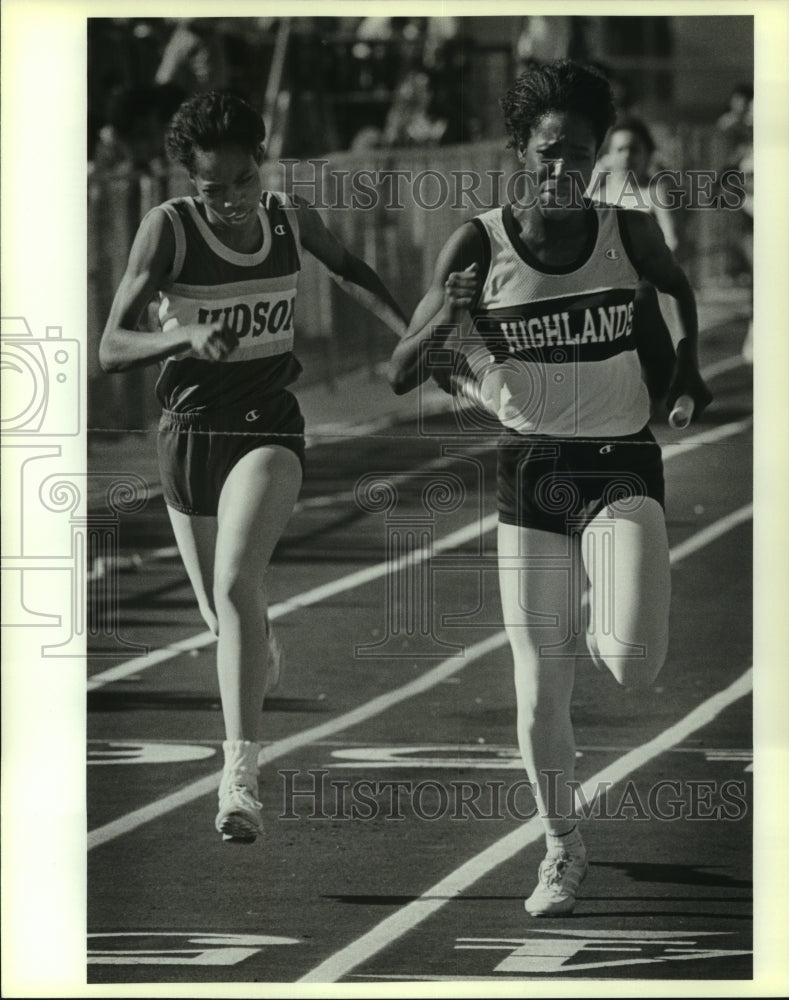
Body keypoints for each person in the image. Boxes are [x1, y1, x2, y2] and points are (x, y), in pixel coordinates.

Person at [388, 60, 712, 916]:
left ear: (598, 152)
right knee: (540, 686)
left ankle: (602, 599)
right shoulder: (479, 241)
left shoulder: (625, 230)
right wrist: (445, 318)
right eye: (546, 153)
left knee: (634, 668)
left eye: (577, 151)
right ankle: (560, 846)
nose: (561, 168)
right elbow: (398, 371)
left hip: (619, 462)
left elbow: (678, 295)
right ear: (518, 153)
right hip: (532, 476)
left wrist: (686, 371)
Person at [100, 91, 407, 843]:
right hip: (187, 438)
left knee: (239, 583)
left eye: (241, 182)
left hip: (267, 430)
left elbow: (348, 267)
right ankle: (249, 638)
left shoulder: (285, 215)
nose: (232, 201)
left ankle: (238, 773)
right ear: (189, 184)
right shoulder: (166, 231)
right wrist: (180, 338)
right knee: (220, 613)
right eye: (213, 189)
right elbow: (111, 347)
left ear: (260, 165)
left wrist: (411, 335)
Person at [592, 117, 680, 404]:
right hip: (604, 283)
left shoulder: (654, 191)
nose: (627, 156)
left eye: (634, 149)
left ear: (646, 154)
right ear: (608, 155)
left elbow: (671, 238)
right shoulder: (597, 191)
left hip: (646, 284)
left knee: (652, 351)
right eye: (619, 150)